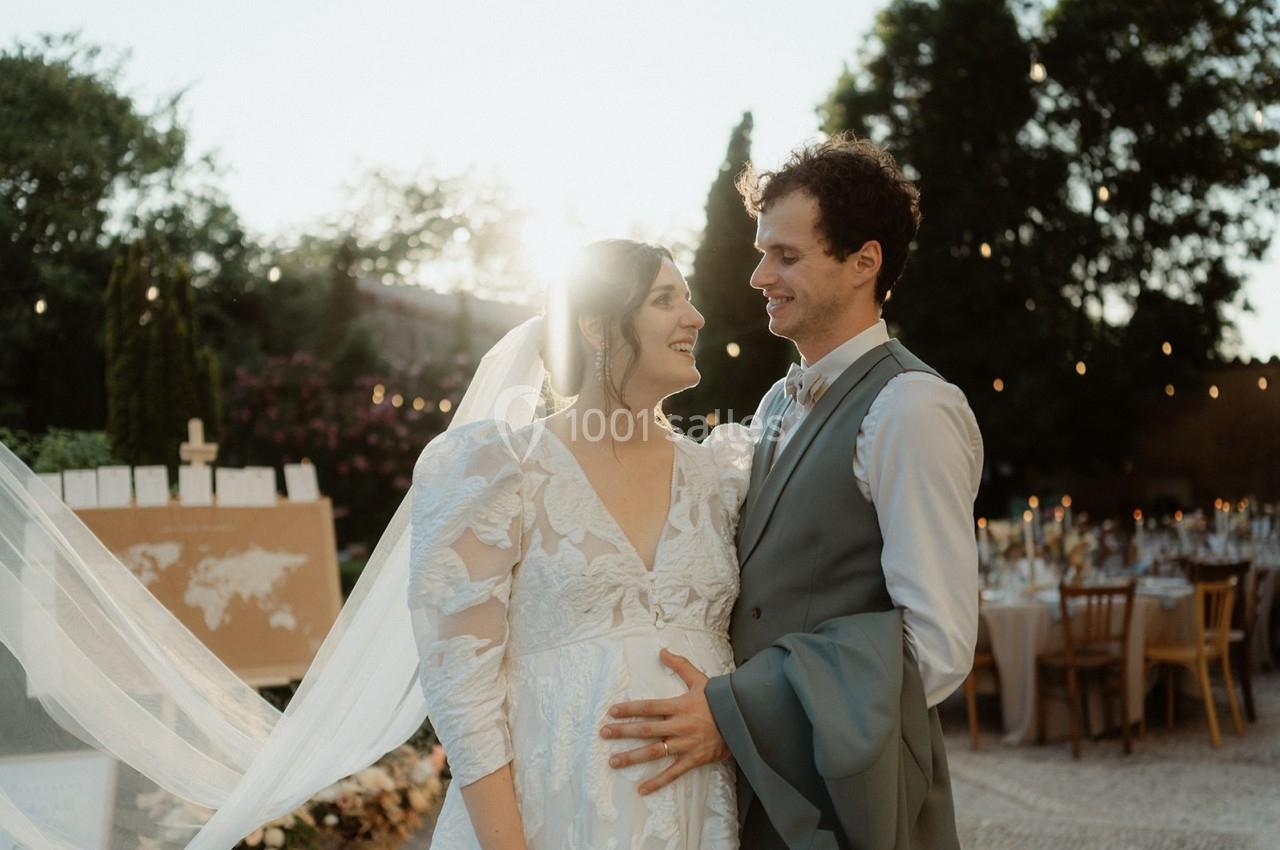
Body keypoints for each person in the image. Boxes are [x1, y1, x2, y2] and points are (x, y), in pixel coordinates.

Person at [600, 135, 984, 849]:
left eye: (786, 255)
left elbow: (937, 647)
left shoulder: (911, 408)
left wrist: (750, 715)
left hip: (848, 795)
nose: (758, 276)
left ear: (864, 262)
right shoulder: (777, 402)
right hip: (753, 784)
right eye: (760, 252)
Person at [413, 239, 755, 849]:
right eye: (664, 299)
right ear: (595, 325)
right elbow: (462, 691)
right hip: (552, 816)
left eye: (690, 298)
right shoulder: (501, 470)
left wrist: (735, 721)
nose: (695, 317)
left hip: (700, 815)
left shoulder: (722, 475)